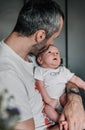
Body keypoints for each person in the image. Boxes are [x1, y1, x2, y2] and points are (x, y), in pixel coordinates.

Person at [0, 0, 85, 130]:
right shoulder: (6, 73)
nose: (52, 44)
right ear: (40, 36)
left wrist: (75, 101)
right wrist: (70, 126)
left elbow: (65, 79)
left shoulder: (33, 56)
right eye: (53, 38)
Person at [34, 44, 85, 129]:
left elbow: (75, 79)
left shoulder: (63, 70)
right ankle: (61, 121)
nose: (55, 54)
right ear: (40, 59)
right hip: (51, 101)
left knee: (66, 99)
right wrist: (48, 100)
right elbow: (41, 86)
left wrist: (84, 85)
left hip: (62, 97)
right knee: (47, 109)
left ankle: (72, 118)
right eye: (50, 52)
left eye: (57, 53)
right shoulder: (40, 70)